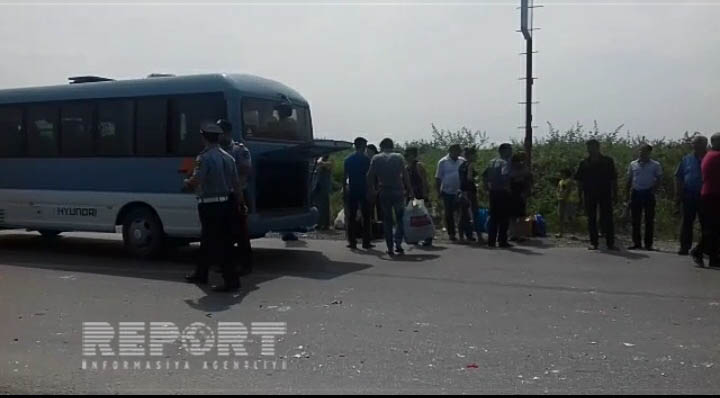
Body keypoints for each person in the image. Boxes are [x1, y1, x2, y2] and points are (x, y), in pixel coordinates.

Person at [184, 123, 242, 292]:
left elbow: (197, 180)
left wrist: (186, 183)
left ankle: (231, 280)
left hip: (209, 205)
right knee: (211, 240)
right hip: (226, 203)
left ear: (203, 138)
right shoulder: (228, 157)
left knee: (218, 243)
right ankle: (201, 273)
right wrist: (241, 203)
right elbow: (236, 184)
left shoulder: (204, 158)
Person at [217, 119, 253, 275]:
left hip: (237, 194)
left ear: (228, 133)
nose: (219, 137)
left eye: (221, 133)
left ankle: (245, 265)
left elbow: (245, 170)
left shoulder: (239, 150)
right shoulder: (216, 151)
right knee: (224, 233)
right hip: (222, 195)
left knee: (241, 233)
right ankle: (226, 264)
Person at [367, 138, 413, 256]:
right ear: (392, 146)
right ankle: (398, 243)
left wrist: (372, 190)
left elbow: (370, 176)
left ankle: (390, 247)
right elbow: (405, 175)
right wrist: (409, 189)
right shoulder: (398, 157)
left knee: (387, 220)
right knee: (400, 218)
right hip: (398, 190)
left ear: (382, 147)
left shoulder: (376, 158)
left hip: (384, 191)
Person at [575, 139, 619, 251]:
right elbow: (579, 181)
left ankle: (610, 243)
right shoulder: (584, 162)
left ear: (598, 147)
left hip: (605, 193)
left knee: (607, 218)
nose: (590, 149)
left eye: (593, 147)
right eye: (589, 147)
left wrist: (615, 194)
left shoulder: (608, 161)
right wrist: (579, 195)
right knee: (591, 219)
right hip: (589, 194)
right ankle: (594, 243)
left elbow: (613, 179)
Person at [675, 135, 708, 255]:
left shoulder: (710, 158)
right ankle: (684, 247)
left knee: (706, 223)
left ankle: (705, 249)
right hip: (689, 195)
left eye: (698, 143)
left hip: (706, 195)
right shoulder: (686, 159)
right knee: (687, 222)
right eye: (694, 143)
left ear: (705, 145)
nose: (695, 145)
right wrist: (679, 194)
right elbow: (679, 177)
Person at [626, 144, 663, 251]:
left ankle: (648, 244)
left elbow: (659, 178)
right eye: (641, 150)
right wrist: (627, 193)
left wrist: (654, 190)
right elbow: (629, 179)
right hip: (636, 192)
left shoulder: (655, 165)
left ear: (649, 152)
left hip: (648, 193)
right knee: (635, 219)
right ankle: (636, 243)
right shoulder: (633, 164)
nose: (642, 153)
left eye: (645, 151)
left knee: (649, 219)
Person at [693, 133, 720, 268]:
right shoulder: (715, 156)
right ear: (715, 142)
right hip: (713, 195)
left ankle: (714, 258)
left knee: (714, 229)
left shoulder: (710, 155)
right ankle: (698, 251)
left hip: (710, 195)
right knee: (712, 228)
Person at [344, 137, 373, 250]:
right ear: (362, 146)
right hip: (364, 189)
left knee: (351, 217)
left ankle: (352, 241)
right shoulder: (366, 160)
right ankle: (366, 242)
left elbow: (344, 176)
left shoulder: (348, 159)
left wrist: (344, 189)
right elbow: (369, 177)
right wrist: (371, 190)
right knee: (366, 217)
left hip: (352, 189)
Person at [483, 143, 513, 248]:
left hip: (493, 192)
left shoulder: (492, 162)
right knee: (504, 218)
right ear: (504, 151)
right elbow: (505, 177)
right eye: (509, 150)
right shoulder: (505, 163)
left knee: (493, 217)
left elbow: (485, 175)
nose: (511, 152)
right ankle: (502, 241)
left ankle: (491, 241)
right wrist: (508, 189)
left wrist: (486, 187)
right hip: (502, 192)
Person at [435, 144, 465, 241]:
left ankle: (462, 233)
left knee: (462, 212)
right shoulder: (443, 162)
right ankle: (451, 233)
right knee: (449, 213)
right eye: (457, 151)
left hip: (461, 191)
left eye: (459, 151)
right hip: (447, 191)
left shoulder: (462, 161)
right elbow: (438, 178)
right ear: (451, 151)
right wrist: (438, 191)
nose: (459, 153)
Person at [405, 146, 432, 246]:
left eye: (409, 154)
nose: (407, 156)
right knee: (413, 218)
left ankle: (428, 237)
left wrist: (425, 195)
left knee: (424, 217)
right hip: (411, 195)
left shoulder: (418, 166)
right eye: (406, 154)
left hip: (420, 194)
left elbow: (424, 181)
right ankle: (415, 237)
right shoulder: (406, 167)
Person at [459, 146, 481, 242]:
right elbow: (469, 178)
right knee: (474, 213)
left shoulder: (462, 165)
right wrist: (477, 181)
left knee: (464, 214)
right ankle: (479, 236)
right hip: (470, 191)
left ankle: (461, 236)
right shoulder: (471, 165)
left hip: (462, 191)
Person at [509, 152, 533, 242]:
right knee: (514, 216)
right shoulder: (513, 169)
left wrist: (526, 192)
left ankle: (518, 234)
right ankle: (514, 234)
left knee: (520, 216)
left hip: (519, 193)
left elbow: (529, 181)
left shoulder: (524, 169)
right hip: (514, 194)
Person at [312, 154, 333, 230]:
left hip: (324, 187)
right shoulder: (319, 163)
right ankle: (319, 223)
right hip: (318, 187)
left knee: (325, 207)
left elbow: (322, 163)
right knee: (318, 206)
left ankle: (325, 224)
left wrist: (319, 159)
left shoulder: (328, 162)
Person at [556, 168, 578, 238]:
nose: (560, 174)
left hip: (568, 201)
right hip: (561, 200)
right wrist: (558, 196)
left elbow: (568, 190)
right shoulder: (560, 181)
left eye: (562, 173)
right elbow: (558, 190)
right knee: (560, 216)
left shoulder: (570, 181)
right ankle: (560, 232)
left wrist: (564, 198)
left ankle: (572, 233)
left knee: (570, 216)